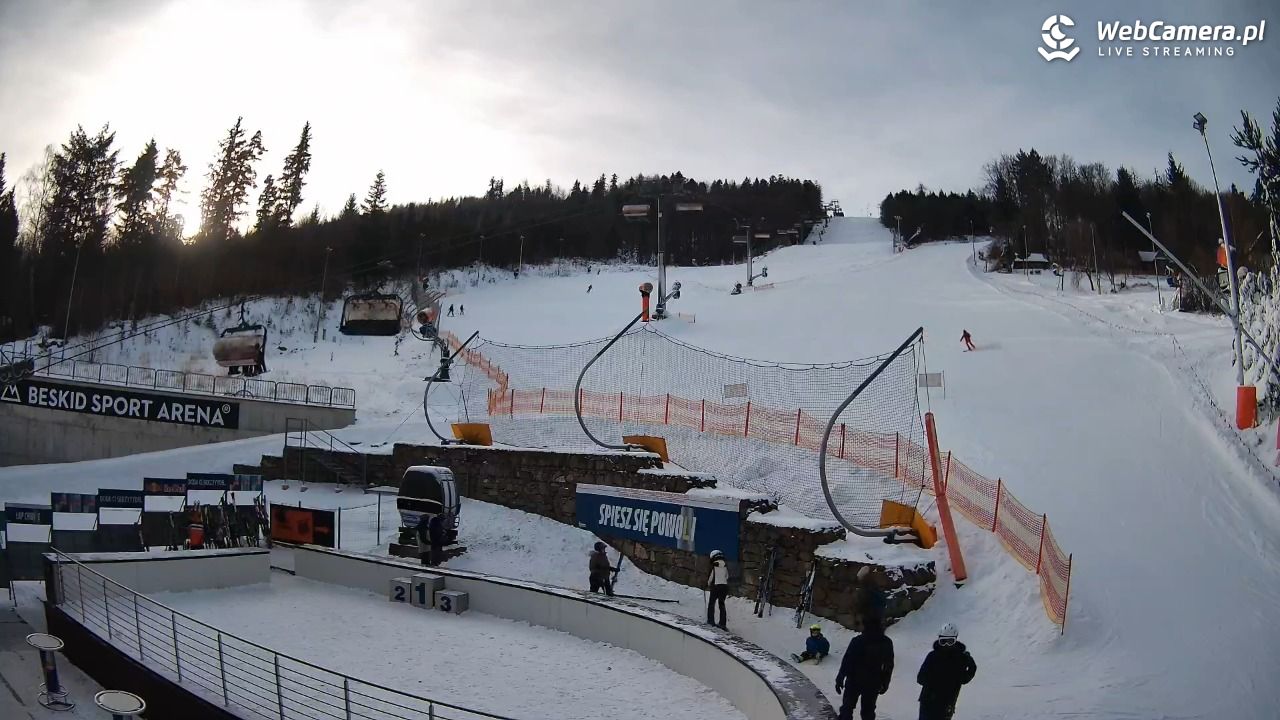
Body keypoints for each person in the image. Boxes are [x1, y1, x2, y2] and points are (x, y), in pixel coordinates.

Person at [835, 617, 894, 720]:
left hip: (854, 679)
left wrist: (840, 678)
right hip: (873, 681)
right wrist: (885, 682)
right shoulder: (886, 642)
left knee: (847, 708)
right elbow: (888, 665)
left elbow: (847, 661)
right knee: (868, 711)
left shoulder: (858, 641)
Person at [917, 623, 977, 720]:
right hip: (928, 701)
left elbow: (965, 678)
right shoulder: (932, 656)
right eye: (943, 641)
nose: (946, 645)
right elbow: (920, 678)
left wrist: (970, 662)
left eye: (950, 641)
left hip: (947, 703)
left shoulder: (960, 658)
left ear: (955, 640)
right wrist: (936, 681)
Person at [706, 549, 729, 629]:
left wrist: (708, 584)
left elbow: (711, 577)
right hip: (724, 587)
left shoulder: (713, 566)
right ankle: (723, 623)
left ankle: (710, 620)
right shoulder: (725, 566)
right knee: (721, 604)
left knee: (711, 604)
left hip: (716, 586)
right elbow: (727, 576)